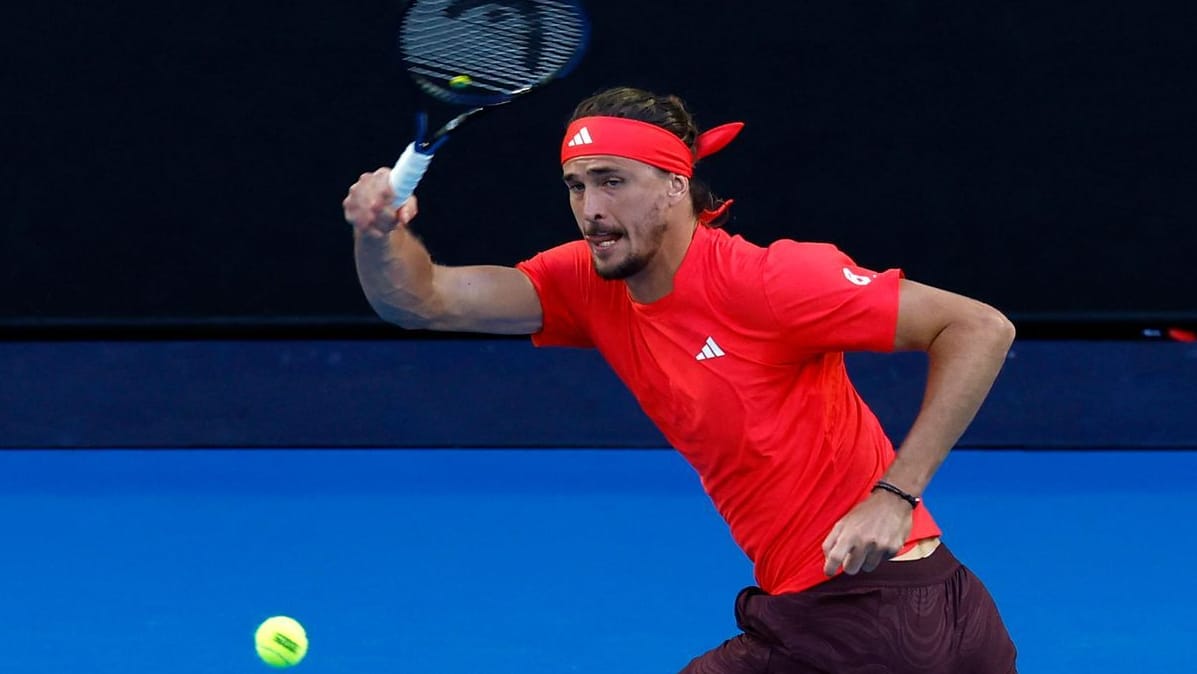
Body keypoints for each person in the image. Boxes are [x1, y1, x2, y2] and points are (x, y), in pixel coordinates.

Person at [343, 86, 1018, 673]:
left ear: (674, 184)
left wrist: (893, 494)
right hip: (922, 613)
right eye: (576, 185)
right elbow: (420, 301)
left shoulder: (770, 280)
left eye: (612, 180)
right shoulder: (584, 281)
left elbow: (979, 327)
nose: (589, 206)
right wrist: (377, 236)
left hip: (866, 617)